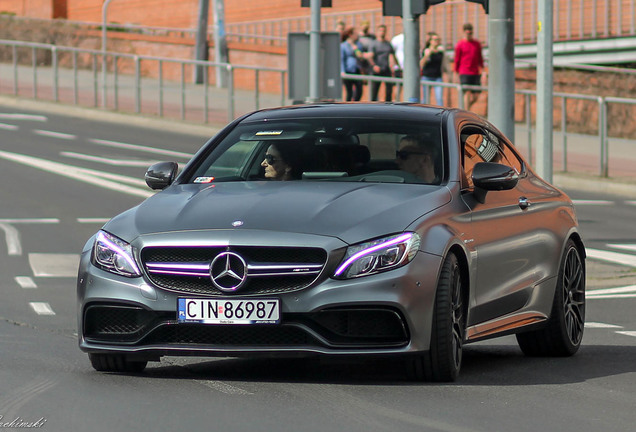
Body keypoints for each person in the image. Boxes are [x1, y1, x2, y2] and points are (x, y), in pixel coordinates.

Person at [454, 23, 484, 111]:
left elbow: (480, 58)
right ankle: (466, 112)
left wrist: (483, 72)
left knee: (476, 95)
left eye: (470, 33)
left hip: (475, 72)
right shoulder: (460, 44)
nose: (469, 35)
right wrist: (456, 73)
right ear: (464, 33)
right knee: (467, 93)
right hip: (464, 72)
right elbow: (457, 60)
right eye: (467, 33)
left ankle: (465, 109)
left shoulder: (476, 44)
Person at [370, 24, 399, 102]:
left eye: (384, 31)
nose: (382, 32)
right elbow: (370, 56)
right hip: (377, 69)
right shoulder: (374, 44)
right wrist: (374, 66)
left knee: (389, 90)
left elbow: (393, 55)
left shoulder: (387, 44)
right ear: (377, 32)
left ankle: (388, 106)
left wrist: (397, 66)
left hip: (386, 68)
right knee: (374, 90)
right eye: (380, 31)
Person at [420, 32, 449, 106]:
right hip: (427, 77)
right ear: (430, 41)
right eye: (435, 39)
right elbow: (421, 64)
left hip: (437, 77)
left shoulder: (440, 51)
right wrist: (427, 55)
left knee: (439, 98)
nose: (437, 41)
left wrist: (449, 74)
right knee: (425, 99)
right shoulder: (426, 51)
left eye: (438, 40)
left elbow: (445, 64)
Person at [340, 27, 364, 101]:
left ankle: (356, 103)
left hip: (357, 69)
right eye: (355, 34)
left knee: (359, 89)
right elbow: (342, 59)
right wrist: (342, 71)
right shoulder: (343, 46)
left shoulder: (358, 45)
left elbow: (360, 56)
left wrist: (355, 48)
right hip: (348, 70)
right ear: (350, 35)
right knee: (349, 91)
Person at [390, 32, 404, 101]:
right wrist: (393, 65)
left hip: (408, 69)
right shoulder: (397, 39)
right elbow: (391, 53)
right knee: (397, 88)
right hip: (398, 68)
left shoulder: (413, 38)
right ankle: (396, 102)